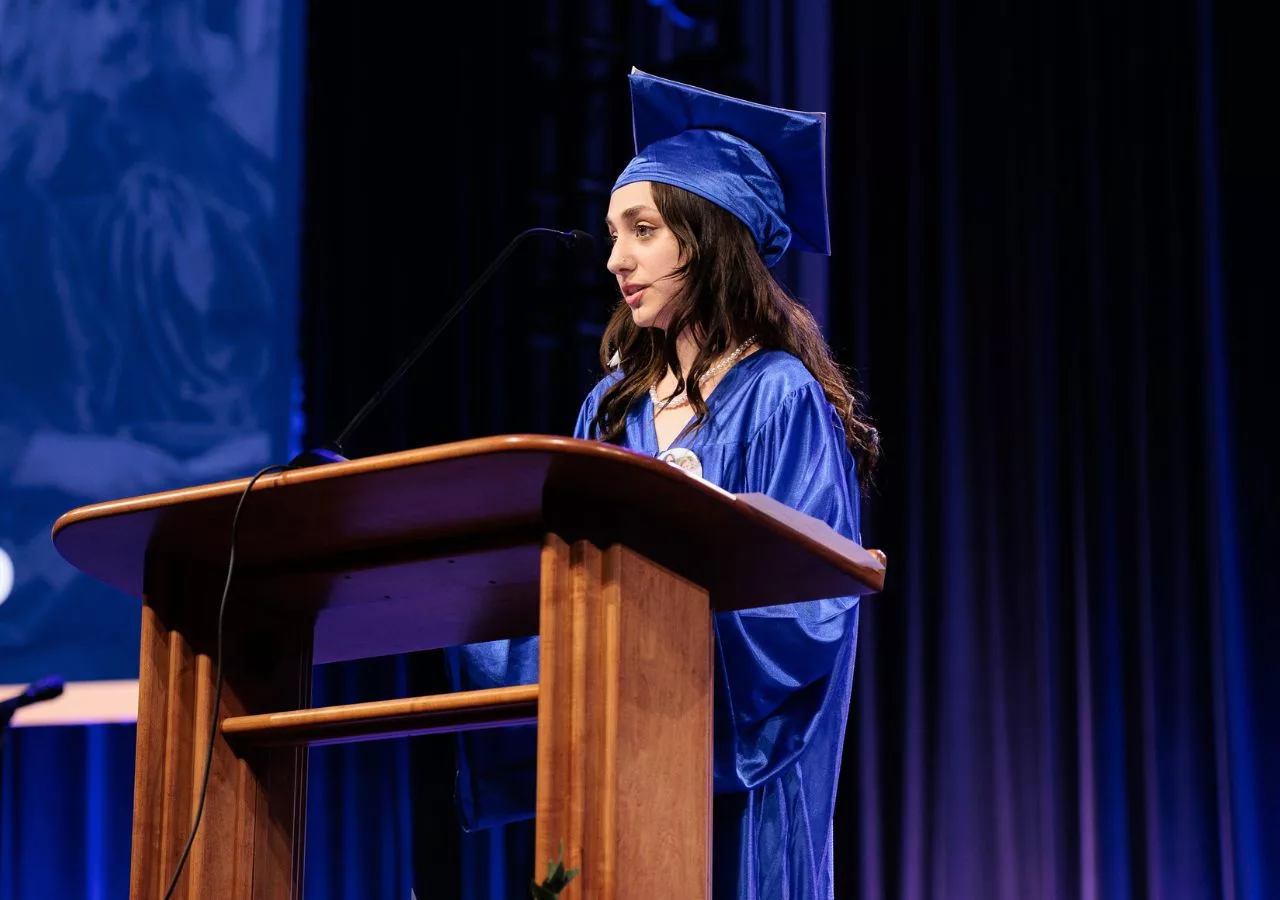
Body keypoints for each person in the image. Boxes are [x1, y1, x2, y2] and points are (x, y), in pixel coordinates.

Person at [446, 67, 880, 898]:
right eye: (613, 234)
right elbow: (559, 577)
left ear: (710, 234)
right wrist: (480, 613)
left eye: (641, 230)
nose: (615, 259)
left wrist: (657, 639)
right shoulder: (608, 409)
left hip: (736, 774)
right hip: (614, 762)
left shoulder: (778, 396)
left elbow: (805, 608)